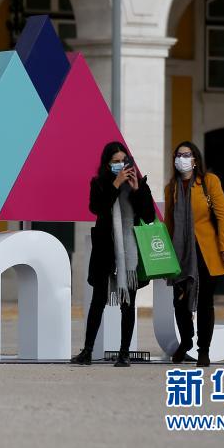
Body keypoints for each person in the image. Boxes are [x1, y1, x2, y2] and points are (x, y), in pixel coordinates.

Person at [72, 142, 156, 367]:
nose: (120, 165)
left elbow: (149, 216)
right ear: (107, 164)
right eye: (115, 162)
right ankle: (87, 351)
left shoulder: (139, 183)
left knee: (127, 303)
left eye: (123, 161)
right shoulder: (99, 183)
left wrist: (137, 190)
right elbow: (97, 209)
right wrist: (115, 184)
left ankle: (124, 353)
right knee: (98, 301)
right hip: (105, 250)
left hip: (130, 252)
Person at [164, 141, 224, 367]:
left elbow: (223, 216)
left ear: (195, 160)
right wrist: (165, 255)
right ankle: (186, 341)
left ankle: (204, 349)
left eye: (186, 155)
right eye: (178, 155)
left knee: (205, 302)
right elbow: (169, 223)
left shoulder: (209, 182)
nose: (182, 159)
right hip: (180, 252)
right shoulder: (171, 187)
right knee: (179, 302)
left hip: (206, 252)